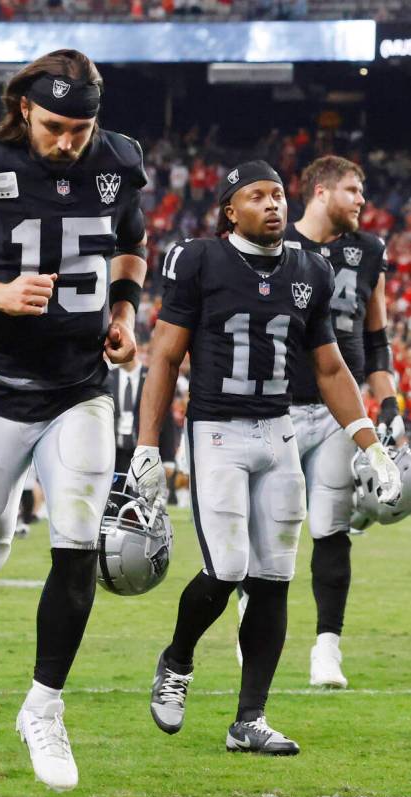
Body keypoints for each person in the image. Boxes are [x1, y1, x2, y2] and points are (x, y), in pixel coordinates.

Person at [0, 49, 147, 791]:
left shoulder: (118, 160)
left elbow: (131, 245)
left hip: (79, 386)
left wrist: (121, 311)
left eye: (81, 127)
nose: (69, 140)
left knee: (77, 544)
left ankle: (44, 705)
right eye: (54, 125)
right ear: (23, 110)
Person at [129, 160, 401, 755]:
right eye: (258, 196)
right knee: (225, 569)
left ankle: (249, 719)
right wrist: (148, 445)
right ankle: (176, 660)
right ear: (231, 209)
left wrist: (369, 443)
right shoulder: (199, 259)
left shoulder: (310, 268)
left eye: (279, 194)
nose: (274, 204)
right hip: (218, 430)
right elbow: (165, 357)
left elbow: (330, 366)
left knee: (274, 579)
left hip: (277, 430)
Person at [281, 156, 404, 688]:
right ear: (320, 191)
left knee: (331, 527)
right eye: (353, 190)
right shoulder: (277, 243)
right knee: (275, 524)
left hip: (341, 410)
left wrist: (392, 406)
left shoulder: (369, 251)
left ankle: (326, 647)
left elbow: (375, 341)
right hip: (278, 403)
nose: (361, 199)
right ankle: (248, 615)